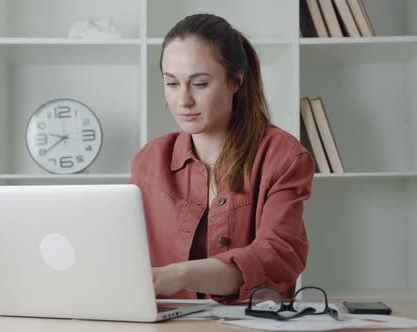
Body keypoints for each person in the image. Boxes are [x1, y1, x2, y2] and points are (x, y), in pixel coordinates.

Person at [128, 13, 315, 304]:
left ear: (235, 81)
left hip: (252, 322)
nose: (183, 100)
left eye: (200, 84)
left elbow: (278, 255)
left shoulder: (283, 156)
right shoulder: (149, 161)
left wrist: (179, 274)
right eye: (172, 83)